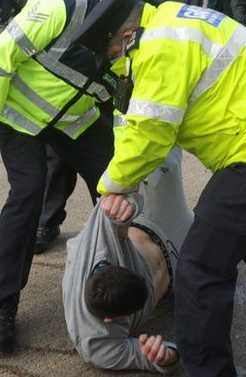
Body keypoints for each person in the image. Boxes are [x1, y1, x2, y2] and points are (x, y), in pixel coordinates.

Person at [79, 0, 246, 377]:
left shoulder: (156, 51)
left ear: (124, 36)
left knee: (200, 268)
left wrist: (111, 187)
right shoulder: (171, 20)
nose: (116, 67)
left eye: (111, 56)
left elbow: (148, 133)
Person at [0, 0, 129, 353]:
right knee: (28, 194)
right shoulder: (54, 9)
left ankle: (129, 283)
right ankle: (3, 304)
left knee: (119, 183)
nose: (123, 49)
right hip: (19, 117)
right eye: (121, 40)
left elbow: (124, 105)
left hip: (74, 120)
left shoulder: (133, 41)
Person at [13, 0, 161, 254]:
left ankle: (113, 231)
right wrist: (64, 11)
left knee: (110, 160)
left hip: (108, 83)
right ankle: (45, 223)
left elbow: (161, 20)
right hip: (59, 76)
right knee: (56, 158)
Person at [63, 148, 189, 374]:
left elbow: (122, 189)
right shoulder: (97, 343)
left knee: (164, 155)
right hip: (182, 260)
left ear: (105, 266)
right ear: (110, 319)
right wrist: (166, 356)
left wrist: (128, 206)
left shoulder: (94, 245)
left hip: (154, 224)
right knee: (229, 238)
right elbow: (160, 361)